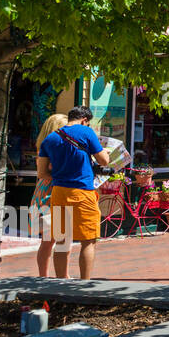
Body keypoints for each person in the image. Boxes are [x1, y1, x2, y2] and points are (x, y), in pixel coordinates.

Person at [39, 106, 111, 280]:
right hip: (82, 192)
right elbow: (104, 160)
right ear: (85, 120)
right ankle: (84, 285)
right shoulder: (86, 132)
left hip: (58, 192)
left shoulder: (49, 139)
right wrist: (104, 152)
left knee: (62, 240)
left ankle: (61, 282)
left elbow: (42, 173)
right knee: (88, 240)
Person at [28, 113, 68, 277]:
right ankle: (58, 276)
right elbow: (44, 172)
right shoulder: (51, 147)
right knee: (58, 239)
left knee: (50, 240)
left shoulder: (44, 146)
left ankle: (45, 276)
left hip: (46, 192)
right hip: (52, 193)